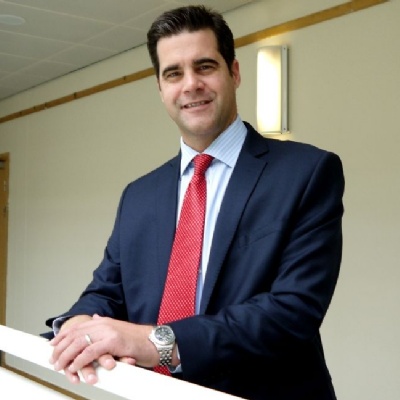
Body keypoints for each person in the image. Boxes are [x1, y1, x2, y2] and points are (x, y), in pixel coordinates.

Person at [46, 5, 344, 400]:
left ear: (234, 73)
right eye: (173, 73)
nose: (191, 84)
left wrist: (156, 343)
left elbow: (293, 312)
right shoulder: (139, 195)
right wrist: (76, 326)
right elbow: (108, 291)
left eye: (205, 66)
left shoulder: (306, 173)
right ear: (160, 89)